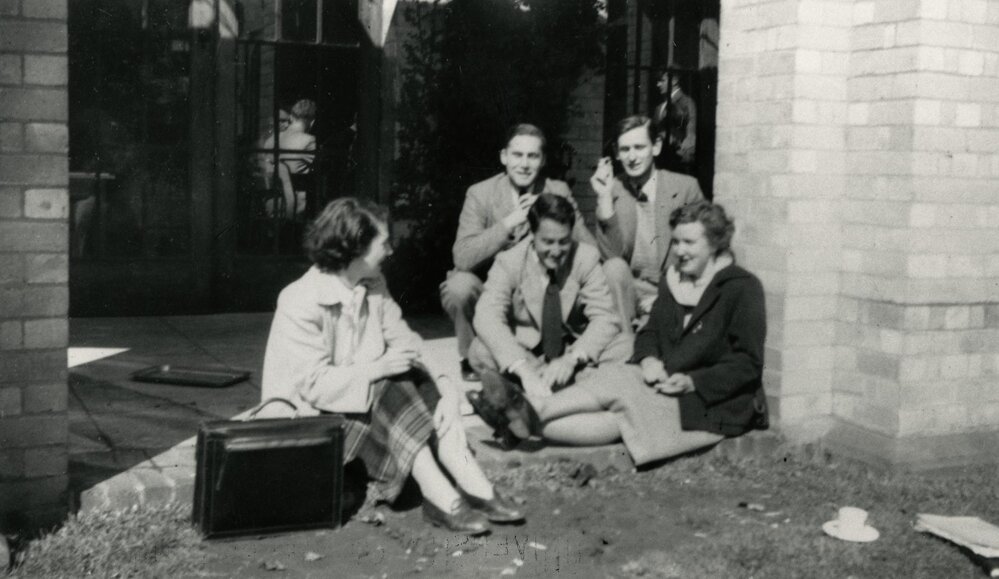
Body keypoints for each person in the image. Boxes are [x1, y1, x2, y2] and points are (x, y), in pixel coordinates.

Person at [261, 198, 524, 535]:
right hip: (311, 422)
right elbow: (313, 386)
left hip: (360, 405)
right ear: (355, 247)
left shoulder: (372, 284)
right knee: (387, 380)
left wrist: (445, 388)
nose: (389, 250)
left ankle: (472, 483)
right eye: (382, 243)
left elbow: (407, 342)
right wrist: (378, 368)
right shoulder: (300, 299)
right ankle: (439, 495)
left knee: (409, 371)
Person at [472, 201, 767, 463]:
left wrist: (692, 381)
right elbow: (650, 332)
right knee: (615, 379)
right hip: (663, 380)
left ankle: (527, 417)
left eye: (689, 243)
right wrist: (649, 360)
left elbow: (747, 364)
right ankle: (527, 416)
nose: (679, 251)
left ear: (715, 243)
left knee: (622, 415)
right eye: (675, 242)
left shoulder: (741, 288)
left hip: (712, 401)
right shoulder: (675, 280)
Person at [441, 123, 598, 382]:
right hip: (494, 292)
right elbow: (463, 256)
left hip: (539, 293)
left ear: (542, 160)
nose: (524, 164)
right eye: (517, 155)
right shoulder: (481, 194)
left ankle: (545, 355)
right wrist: (510, 222)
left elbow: (588, 250)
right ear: (504, 156)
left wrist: (548, 214)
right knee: (459, 286)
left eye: (532, 156)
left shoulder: (557, 190)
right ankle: (470, 358)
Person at [468, 193, 631, 403]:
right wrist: (524, 369)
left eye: (563, 242)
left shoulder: (586, 257)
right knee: (479, 350)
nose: (556, 251)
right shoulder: (509, 262)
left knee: (625, 345)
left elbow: (605, 317)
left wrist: (571, 359)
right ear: (532, 233)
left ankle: (538, 394)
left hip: (572, 352)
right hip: (527, 354)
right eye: (547, 242)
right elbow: (487, 316)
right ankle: (561, 389)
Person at [590, 115, 704, 332]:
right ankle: (625, 344)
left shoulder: (685, 188)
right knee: (613, 268)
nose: (632, 157)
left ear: (656, 147)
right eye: (625, 150)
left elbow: (700, 253)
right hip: (628, 296)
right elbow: (612, 262)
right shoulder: (611, 190)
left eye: (639, 147)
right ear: (616, 153)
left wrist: (666, 297)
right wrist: (604, 199)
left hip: (673, 291)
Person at [262, 98, 317, 218]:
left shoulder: (270, 140)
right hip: (296, 210)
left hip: (271, 205)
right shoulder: (309, 141)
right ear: (312, 122)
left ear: (291, 118)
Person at [653, 71, 697, 171]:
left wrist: (683, 154)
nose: (658, 84)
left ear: (674, 81)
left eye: (662, 81)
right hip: (659, 160)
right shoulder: (659, 106)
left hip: (677, 160)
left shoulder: (686, 102)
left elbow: (691, 134)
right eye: (657, 81)